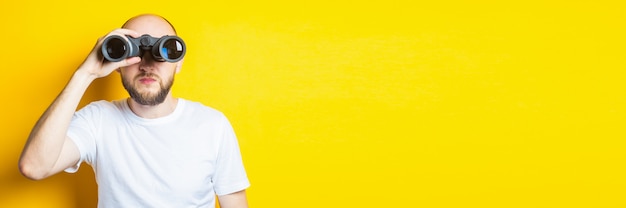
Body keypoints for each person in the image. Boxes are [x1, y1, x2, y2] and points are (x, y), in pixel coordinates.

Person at [18, 14, 250, 208]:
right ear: (117, 65)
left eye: (164, 49)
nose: (147, 64)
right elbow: (34, 167)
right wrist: (85, 73)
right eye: (133, 51)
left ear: (178, 62)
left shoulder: (212, 125)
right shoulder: (98, 120)